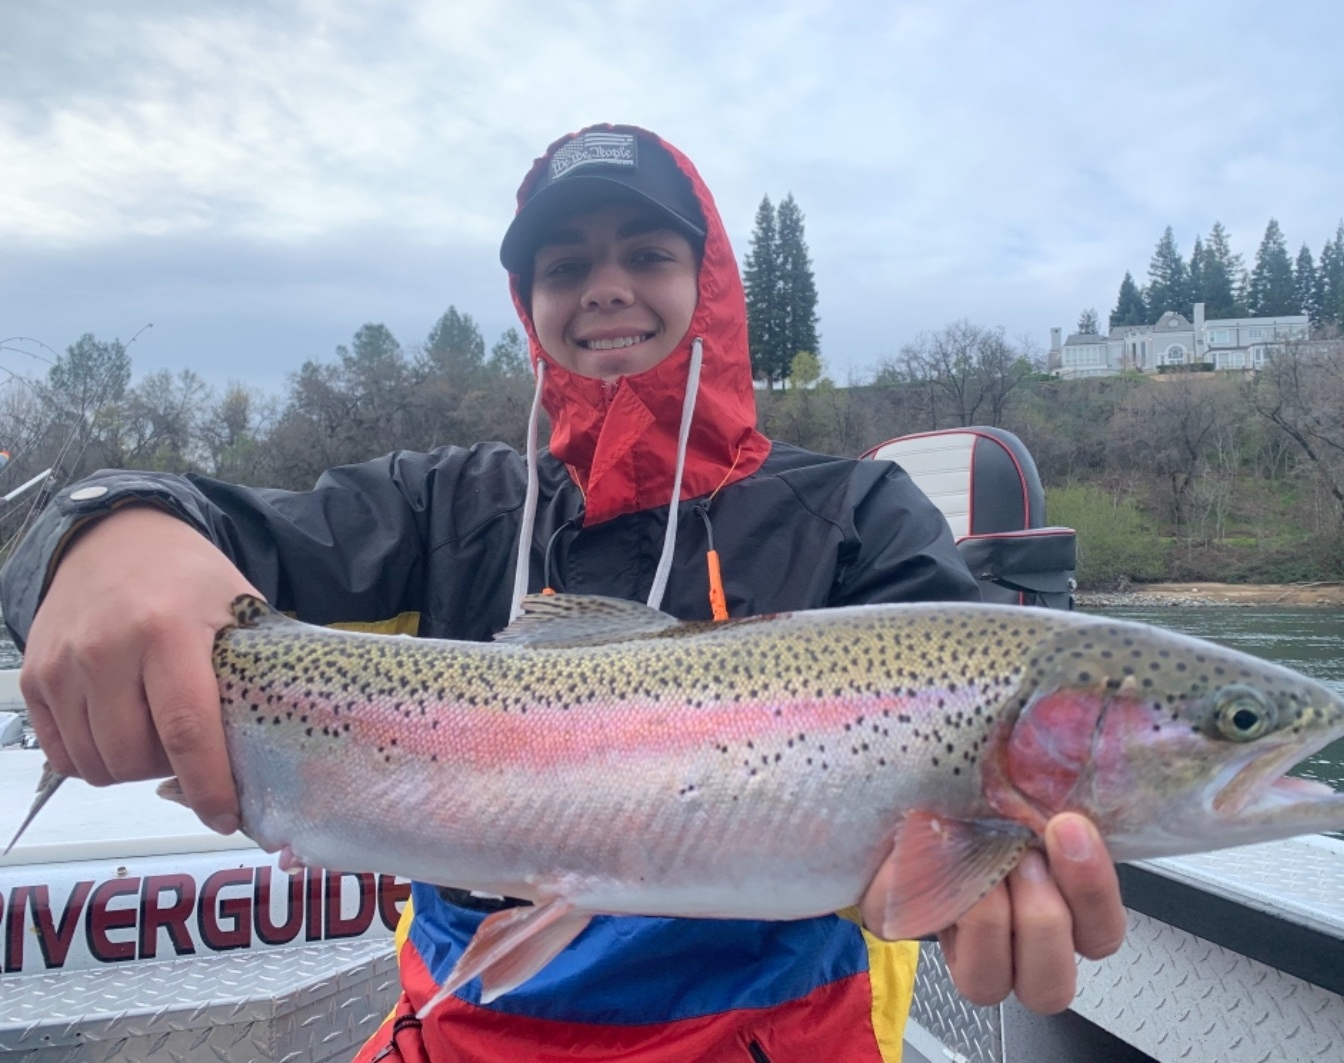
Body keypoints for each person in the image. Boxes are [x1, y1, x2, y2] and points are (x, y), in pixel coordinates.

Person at [0, 125, 1126, 1062]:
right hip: (467, 1026)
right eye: (565, 267)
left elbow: (961, 796)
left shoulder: (860, 515)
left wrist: (966, 896)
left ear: (713, 282)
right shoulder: (445, 503)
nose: (607, 289)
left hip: (774, 1037)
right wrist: (95, 529)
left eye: (647, 252)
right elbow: (204, 527)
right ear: (527, 299)